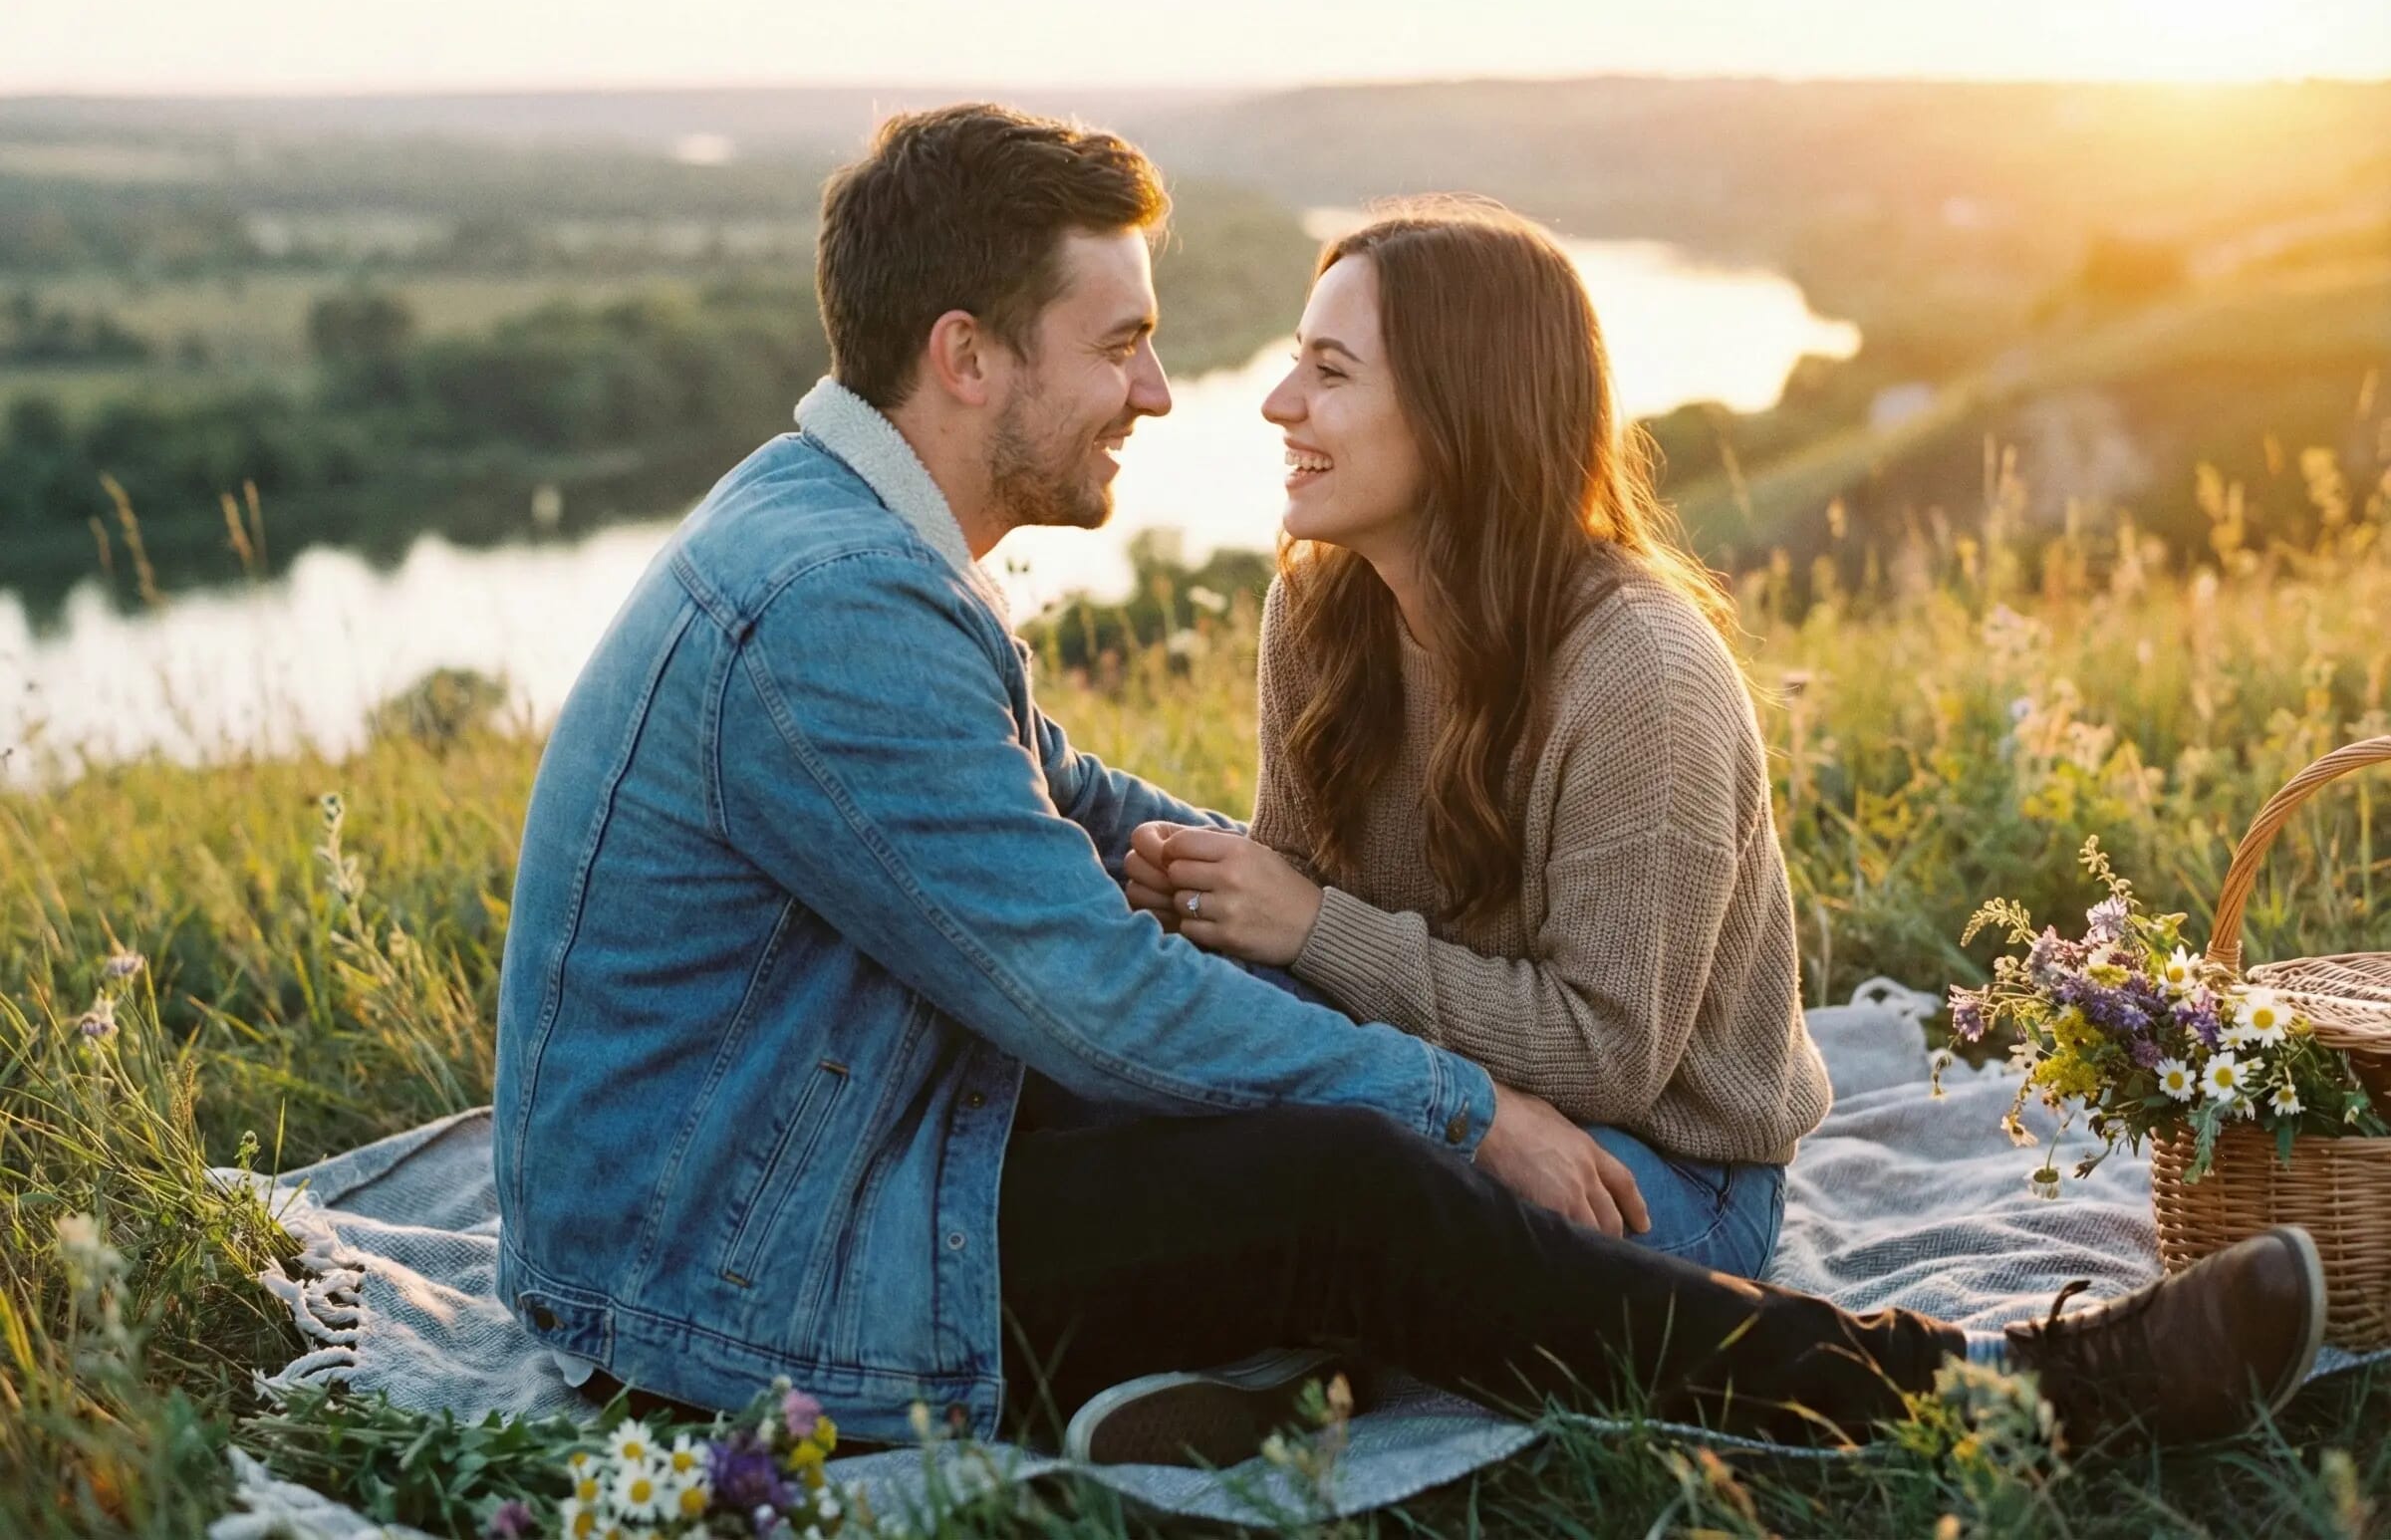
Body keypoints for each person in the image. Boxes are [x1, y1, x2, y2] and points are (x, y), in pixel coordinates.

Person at [491, 103, 2323, 1470]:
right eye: (1119, 343)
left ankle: (1281, 1357)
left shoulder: (845, 547)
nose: (1170, 393)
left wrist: (1238, 889)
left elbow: (1063, 801)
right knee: (1343, 1177)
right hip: (734, 1264)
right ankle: (2004, 1396)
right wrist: (1460, 1106)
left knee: (1281, 1141)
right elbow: (1101, 993)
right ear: (965, 358)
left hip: (784, 1178)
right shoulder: (839, 611)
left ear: (1459, 412)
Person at [1123, 200, 1823, 1283]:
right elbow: (1301, 945)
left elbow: (1606, 1058)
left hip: (1661, 1172)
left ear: (1461, 411)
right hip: (1440, 1104)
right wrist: (1207, 909)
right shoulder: (1317, 613)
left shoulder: (1642, 673)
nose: (1279, 401)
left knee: (1339, 1201)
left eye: (1330, 372)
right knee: (1144, 1077)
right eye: (1294, 360)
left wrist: (1305, 923)